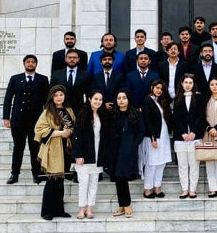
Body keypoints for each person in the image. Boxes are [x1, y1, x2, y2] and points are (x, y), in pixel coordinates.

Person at [3, 54, 49, 184]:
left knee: (35, 148)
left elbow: (47, 101)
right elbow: (8, 98)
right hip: (18, 120)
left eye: (33, 62)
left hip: (36, 121)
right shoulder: (15, 79)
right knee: (18, 148)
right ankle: (14, 174)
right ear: (24, 64)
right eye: (28, 62)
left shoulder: (43, 79)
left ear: (36, 64)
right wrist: (6, 117)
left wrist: (47, 119)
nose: (30, 64)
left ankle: (37, 173)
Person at [101, 89, 145, 218]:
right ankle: (122, 205)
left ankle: (126, 205)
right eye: (119, 98)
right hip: (114, 150)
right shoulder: (111, 114)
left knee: (121, 176)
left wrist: (134, 144)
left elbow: (141, 131)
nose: (121, 100)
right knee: (118, 177)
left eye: (124, 98)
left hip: (128, 150)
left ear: (128, 99)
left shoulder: (135, 113)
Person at [34, 85, 75, 220]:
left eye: (61, 95)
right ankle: (46, 211)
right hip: (53, 148)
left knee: (60, 180)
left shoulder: (68, 110)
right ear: (52, 96)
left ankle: (59, 210)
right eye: (56, 95)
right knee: (52, 180)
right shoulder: (47, 112)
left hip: (65, 149)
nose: (59, 97)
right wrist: (60, 133)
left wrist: (70, 133)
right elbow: (39, 129)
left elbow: (73, 125)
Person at [71, 91, 104, 219]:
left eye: (100, 99)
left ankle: (90, 209)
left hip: (97, 154)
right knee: (83, 183)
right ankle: (81, 209)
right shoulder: (83, 114)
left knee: (94, 183)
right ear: (90, 99)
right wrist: (78, 155)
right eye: (95, 99)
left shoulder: (102, 115)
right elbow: (76, 136)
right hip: (85, 154)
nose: (98, 102)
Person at [171, 74, 204, 199]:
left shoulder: (199, 97)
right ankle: (184, 189)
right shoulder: (177, 98)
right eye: (186, 82)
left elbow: (201, 116)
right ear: (182, 83)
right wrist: (183, 133)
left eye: (190, 82)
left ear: (193, 84)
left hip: (195, 138)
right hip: (181, 139)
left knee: (194, 165)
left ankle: (192, 190)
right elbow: (176, 119)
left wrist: (194, 132)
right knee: (183, 166)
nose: (188, 85)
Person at [141, 80, 172, 199]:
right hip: (153, 137)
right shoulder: (147, 101)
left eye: (161, 89)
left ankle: (157, 187)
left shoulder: (160, 101)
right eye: (157, 88)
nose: (159, 90)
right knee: (152, 163)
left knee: (161, 162)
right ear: (152, 87)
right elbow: (147, 121)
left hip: (163, 136)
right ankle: (147, 189)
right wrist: (152, 138)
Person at [50, 49, 90, 117]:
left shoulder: (85, 75)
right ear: (65, 59)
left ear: (78, 60)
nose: (72, 59)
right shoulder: (56, 74)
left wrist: (86, 109)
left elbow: (89, 93)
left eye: (74, 58)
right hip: (60, 109)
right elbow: (51, 92)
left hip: (79, 110)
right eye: (69, 57)